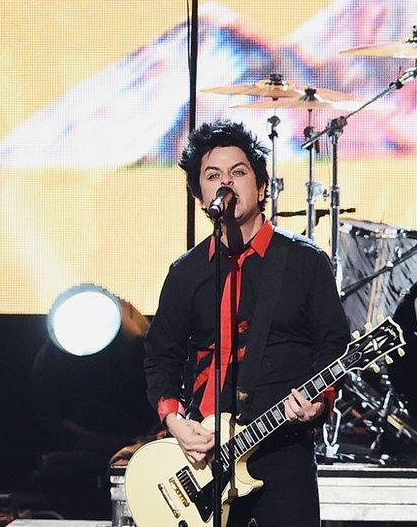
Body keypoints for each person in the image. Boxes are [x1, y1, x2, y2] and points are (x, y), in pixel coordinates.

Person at [144, 120, 350, 526]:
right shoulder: (186, 272)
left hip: (281, 449)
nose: (227, 183)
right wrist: (174, 421)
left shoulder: (304, 262)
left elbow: (335, 346)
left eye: (238, 173)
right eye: (213, 175)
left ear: (261, 187)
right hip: (201, 457)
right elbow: (160, 355)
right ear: (198, 194)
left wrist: (319, 402)